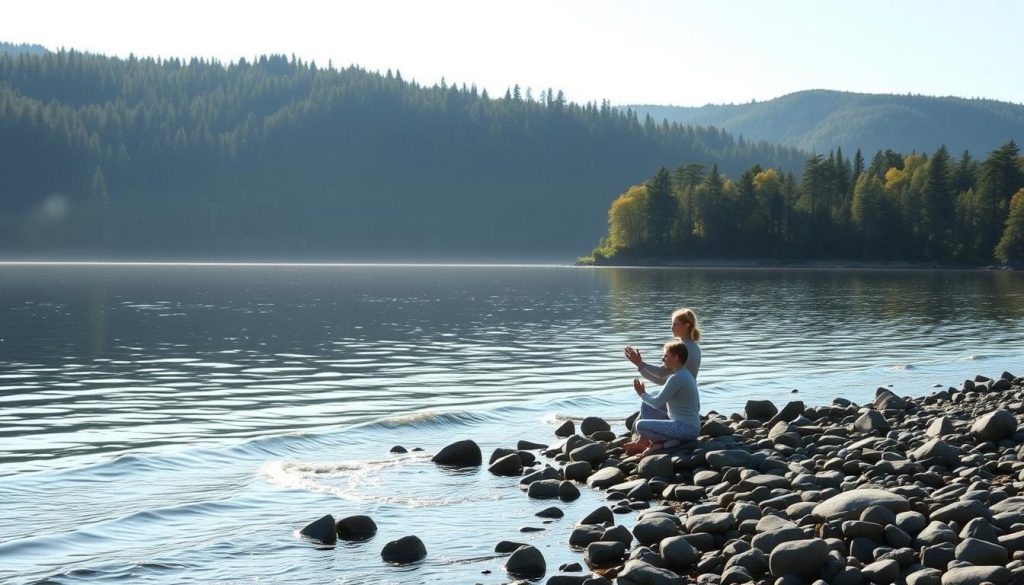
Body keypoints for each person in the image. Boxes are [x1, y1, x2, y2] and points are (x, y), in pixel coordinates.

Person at [624, 340, 700, 454]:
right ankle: (665, 441)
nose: (662, 359)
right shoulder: (685, 374)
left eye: (665, 356)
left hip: (685, 429)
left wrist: (641, 393)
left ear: (676, 358)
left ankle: (664, 443)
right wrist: (640, 365)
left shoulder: (677, 378)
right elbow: (658, 378)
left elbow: (656, 403)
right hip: (692, 427)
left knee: (640, 425)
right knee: (647, 403)